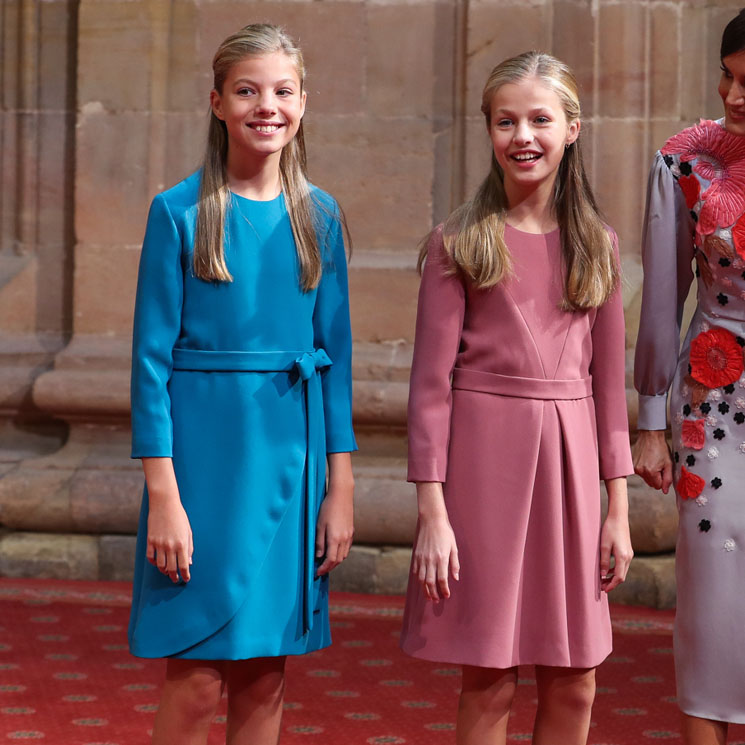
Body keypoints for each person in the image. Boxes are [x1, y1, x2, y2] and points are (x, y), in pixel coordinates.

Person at [127, 23, 356, 745]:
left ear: (303, 102)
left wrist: (341, 490)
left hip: (293, 455)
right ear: (217, 102)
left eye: (282, 91)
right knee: (194, 677)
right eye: (248, 90)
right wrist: (163, 495)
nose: (267, 105)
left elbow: (337, 358)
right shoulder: (178, 211)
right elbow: (149, 364)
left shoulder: (319, 216)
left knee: (265, 675)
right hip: (201, 467)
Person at [400, 51, 634, 745]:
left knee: (575, 673)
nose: (522, 135)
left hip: (569, 475)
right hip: (482, 474)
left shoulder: (599, 246)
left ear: (572, 129)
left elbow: (609, 390)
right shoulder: (458, 242)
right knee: (490, 672)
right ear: (489, 131)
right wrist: (432, 513)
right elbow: (427, 390)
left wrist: (616, 509)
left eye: (539, 119)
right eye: (506, 121)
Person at [633, 9, 745, 744]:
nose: (733, 97)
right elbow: (661, 294)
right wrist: (648, 419)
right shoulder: (685, 160)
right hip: (713, 401)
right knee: (707, 591)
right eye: (728, 77)